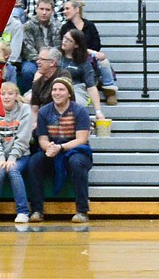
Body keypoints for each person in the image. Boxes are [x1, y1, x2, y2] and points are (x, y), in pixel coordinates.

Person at [26, 77, 93, 223]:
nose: (57, 93)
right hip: (53, 149)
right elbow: (42, 139)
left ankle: (82, 211)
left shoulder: (79, 111)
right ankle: (37, 210)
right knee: (34, 162)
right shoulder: (44, 112)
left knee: (76, 162)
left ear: (69, 93)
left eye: (61, 89)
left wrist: (60, 147)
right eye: (54, 90)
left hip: (76, 150)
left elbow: (81, 139)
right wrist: (48, 148)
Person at [0, 82, 33, 223]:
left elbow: (23, 138)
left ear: (16, 96)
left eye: (10, 93)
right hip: (0, 156)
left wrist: (12, 157)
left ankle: (23, 212)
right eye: (3, 94)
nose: (6, 97)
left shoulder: (25, 110)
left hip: (21, 155)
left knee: (13, 170)